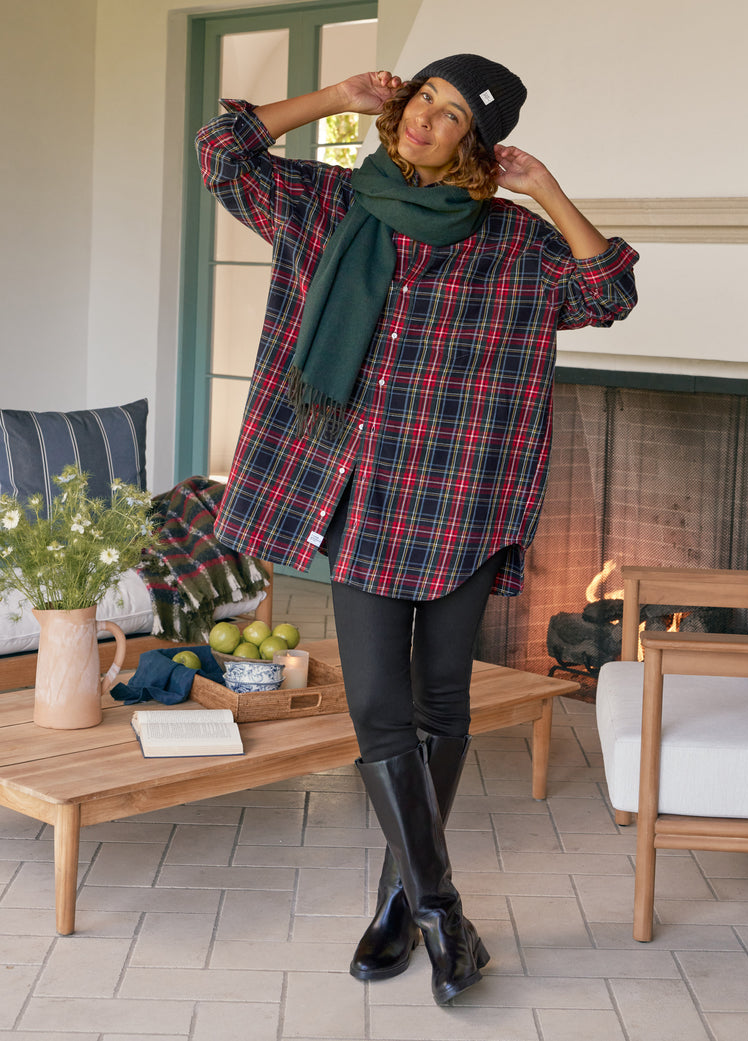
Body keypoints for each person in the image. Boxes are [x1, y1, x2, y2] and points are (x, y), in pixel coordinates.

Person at [196, 54, 638, 1004]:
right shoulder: (324, 206)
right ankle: (443, 910)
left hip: (461, 500)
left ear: (478, 148)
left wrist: (549, 189)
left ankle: (402, 904)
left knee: (443, 707)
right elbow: (223, 151)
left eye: (451, 115)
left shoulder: (512, 244)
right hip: (356, 499)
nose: (427, 120)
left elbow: (607, 292)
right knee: (377, 712)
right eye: (423, 99)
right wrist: (332, 100)